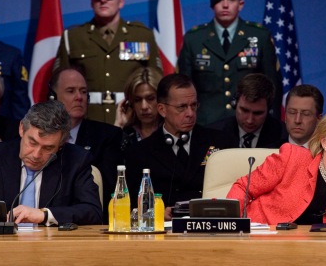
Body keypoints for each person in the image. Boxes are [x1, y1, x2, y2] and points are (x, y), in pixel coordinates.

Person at [227, 107, 326, 225]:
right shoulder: (292, 157)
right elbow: (242, 188)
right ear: (324, 142)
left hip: (309, 254)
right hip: (261, 240)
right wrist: (232, 226)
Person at [53, 0, 162, 124]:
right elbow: (58, 86)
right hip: (87, 121)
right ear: (91, 1)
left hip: (131, 120)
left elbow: (156, 82)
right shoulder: (73, 37)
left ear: (121, 1)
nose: (103, 0)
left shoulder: (142, 35)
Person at [0, 101, 102, 225]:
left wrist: (44, 215)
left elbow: (93, 212)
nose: (36, 155)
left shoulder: (76, 161)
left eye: (48, 148)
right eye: (32, 142)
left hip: (51, 244)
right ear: (21, 129)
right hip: (2, 243)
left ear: (60, 145)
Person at [124, 74, 232, 219]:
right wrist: (154, 213)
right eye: (182, 107)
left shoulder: (220, 142)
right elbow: (131, 208)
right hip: (163, 232)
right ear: (162, 110)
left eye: (193, 105)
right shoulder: (139, 153)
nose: (190, 113)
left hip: (209, 227)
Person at [178, 0, 282, 125]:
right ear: (212, 5)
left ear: (241, 4)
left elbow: (273, 86)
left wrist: (273, 125)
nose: (225, 5)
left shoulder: (260, 36)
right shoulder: (194, 39)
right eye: (220, 0)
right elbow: (183, 88)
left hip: (248, 124)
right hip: (205, 124)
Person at [49, 67, 123, 222]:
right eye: (71, 91)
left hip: (88, 220)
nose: (79, 97)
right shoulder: (41, 136)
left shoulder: (107, 136)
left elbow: (108, 190)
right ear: (53, 98)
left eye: (83, 92)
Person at [207, 73, 287, 148]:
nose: (250, 120)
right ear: (235, 104)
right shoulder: (213, 134)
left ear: (268, 109)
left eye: (258, 113)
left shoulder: (284, 136)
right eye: (244, 110)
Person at [114, 67, 162, 151]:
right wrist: (119, 125)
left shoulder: (171, 132)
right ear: (130, 103)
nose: (144, 107)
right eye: (137, 100)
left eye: (150, 98)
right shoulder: (127, 134)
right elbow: (108, 160)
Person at [284, 84, 324, 148]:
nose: (297, 120)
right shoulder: (268, 152)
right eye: (292, 112)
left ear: (319, 119)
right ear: (285, 116)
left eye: (306, 114)